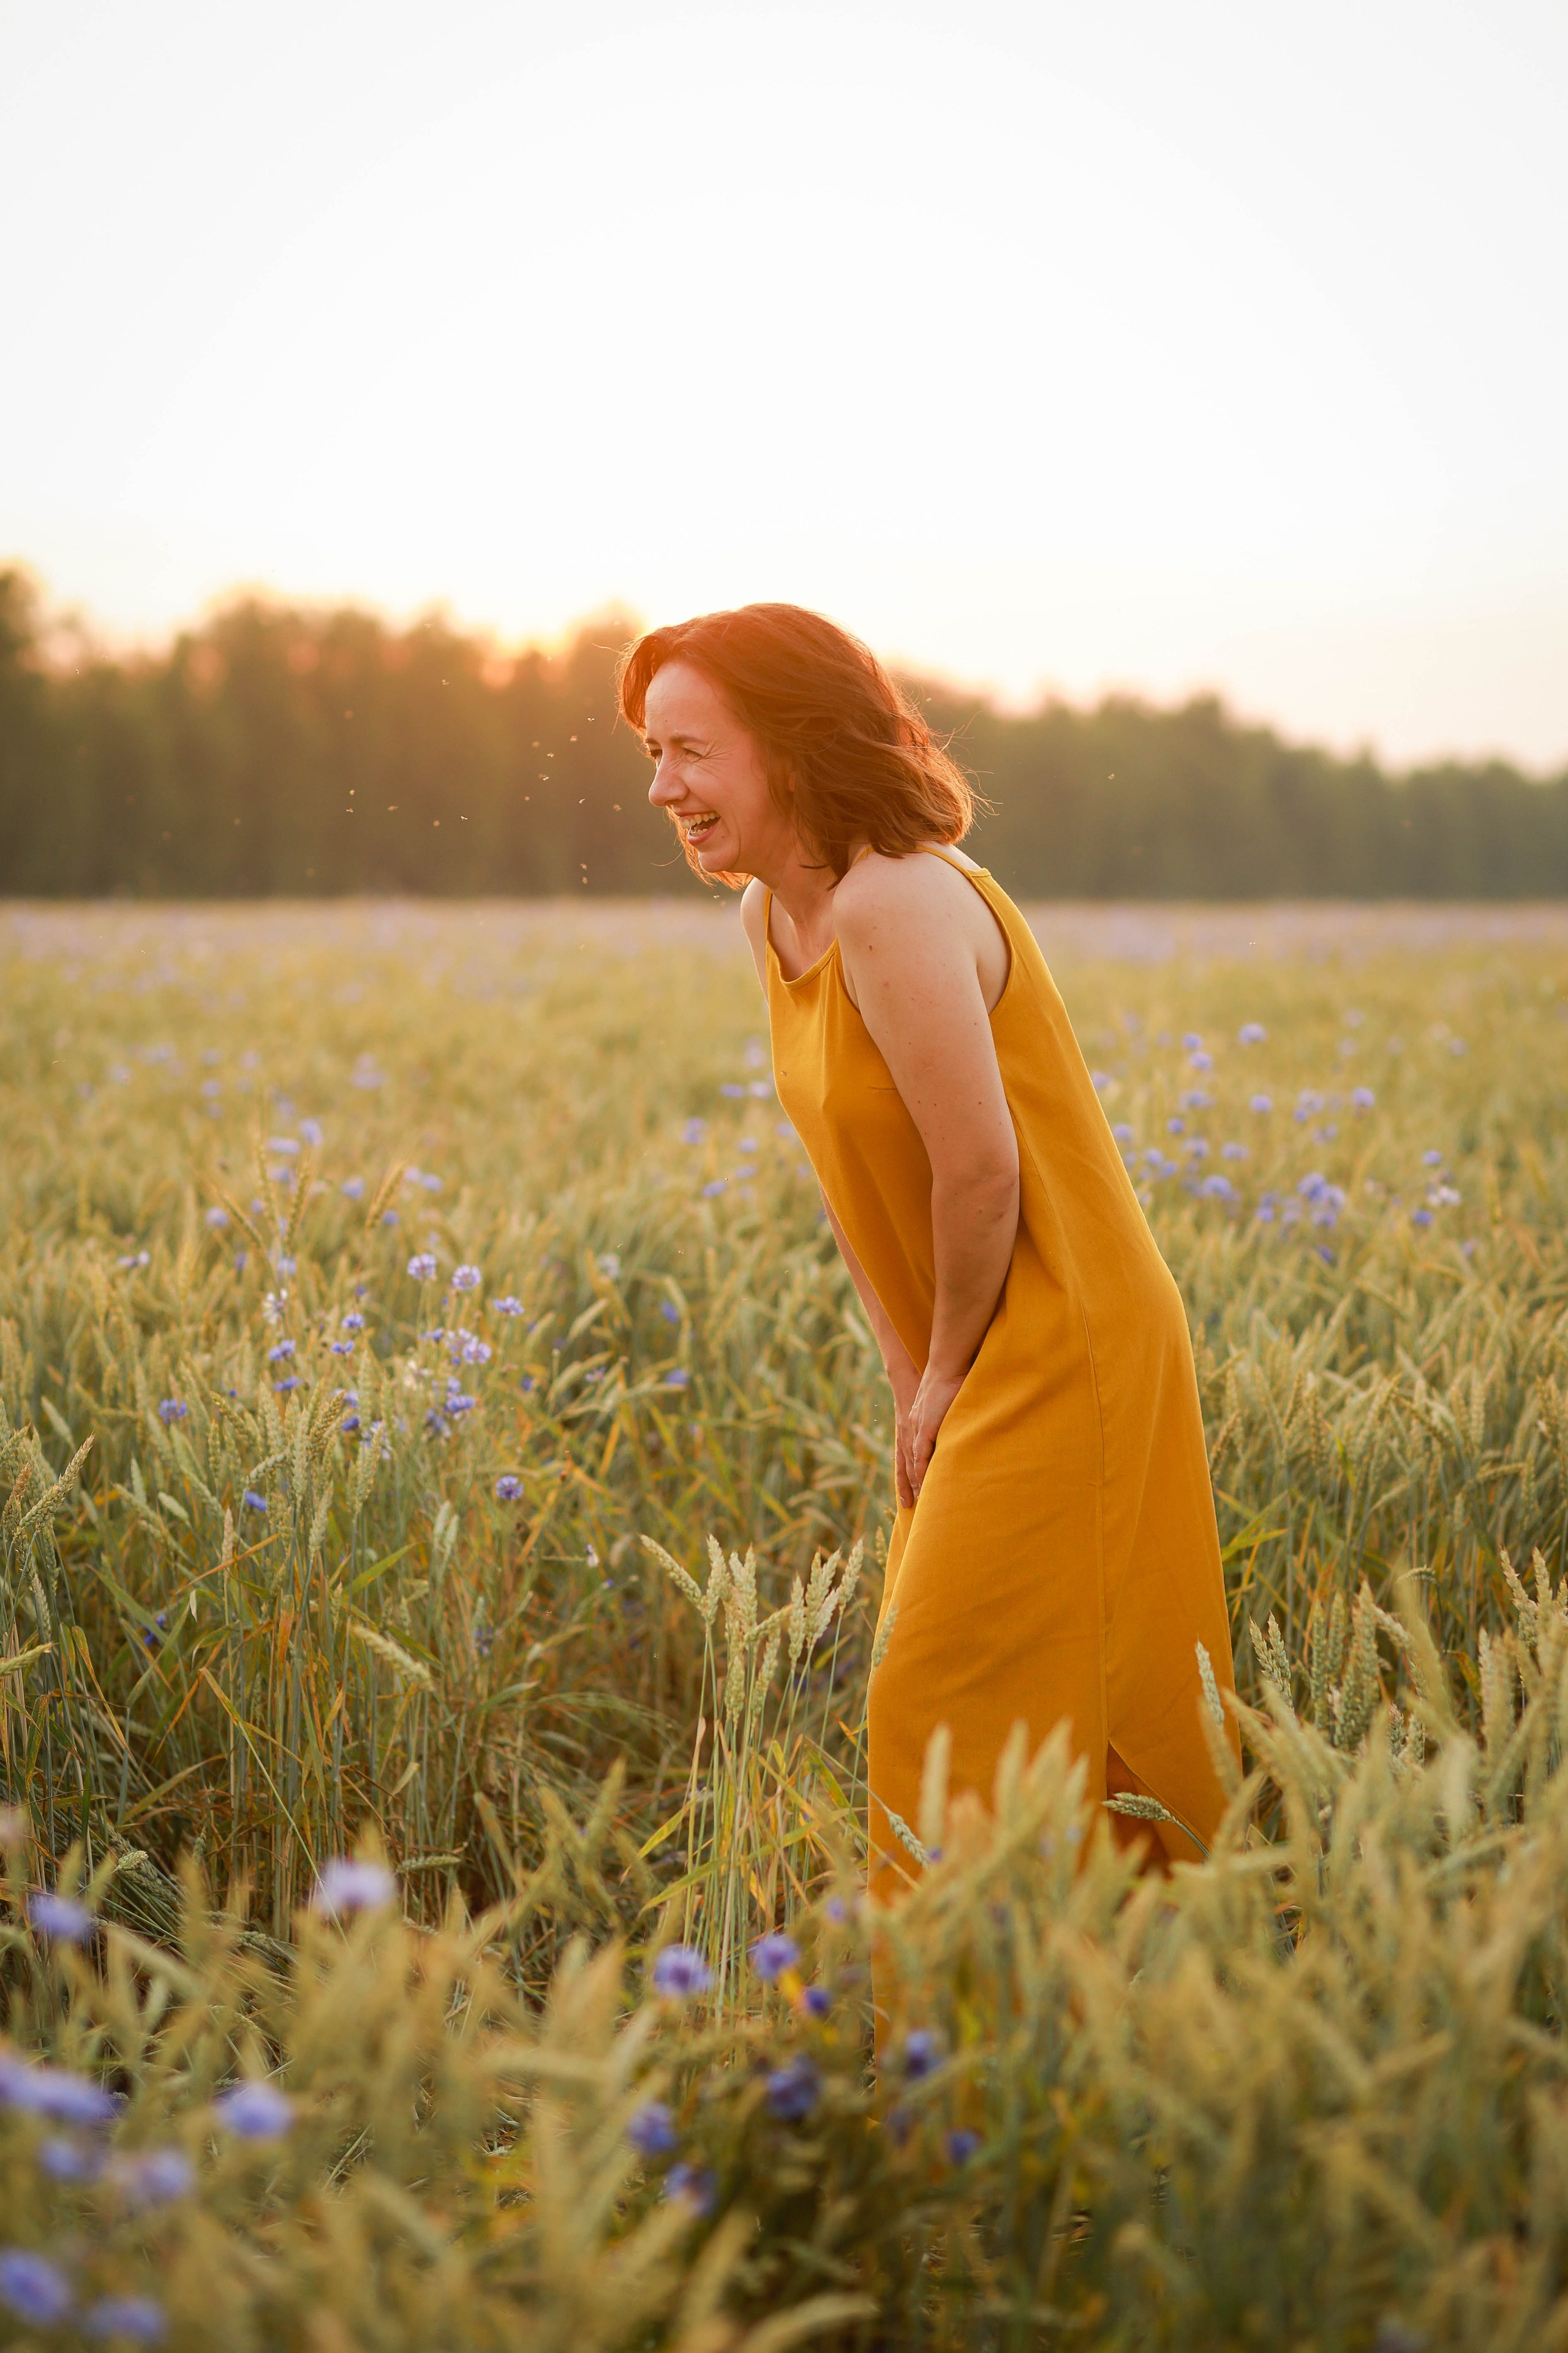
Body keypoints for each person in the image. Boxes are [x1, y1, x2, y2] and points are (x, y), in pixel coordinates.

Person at [619, 602, 1236, 1895]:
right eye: (650, 754)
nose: (663, 786)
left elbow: (978, 1167)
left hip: (1060, 1332)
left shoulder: (896, 900)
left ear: (788, 743)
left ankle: (1008, 2037)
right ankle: (1064, 2033)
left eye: (688, 749)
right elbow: (855, 1175)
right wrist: (907, 1372)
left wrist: (950, 1363)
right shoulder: (768, 920)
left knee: (941, 1690)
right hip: (963, 1337)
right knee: (1001, 1696)